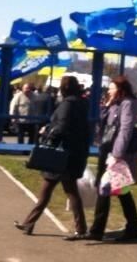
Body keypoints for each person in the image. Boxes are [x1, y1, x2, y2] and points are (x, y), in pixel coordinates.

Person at [14, 76, 91, 239]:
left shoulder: (67, 104)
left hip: (61, 155)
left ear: (63, 89)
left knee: (62, 191)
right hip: (74, 152)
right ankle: (29, 223)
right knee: (59, 190)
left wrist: (47, 133)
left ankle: (80, 229)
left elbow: (61, 127)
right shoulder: (82, 103)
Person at [88, 76, 137, 241]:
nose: (109, 90)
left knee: (109, 189)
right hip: (107, 148)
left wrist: (117, 155)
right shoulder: (115, 103)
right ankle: (132, 228)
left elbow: (126, 130)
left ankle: (98, 230)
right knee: (118, 191)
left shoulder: (128, 103)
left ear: (120, 89)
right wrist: (108, 103)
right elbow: (102, 121)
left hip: (117, 153)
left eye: (112, 88)